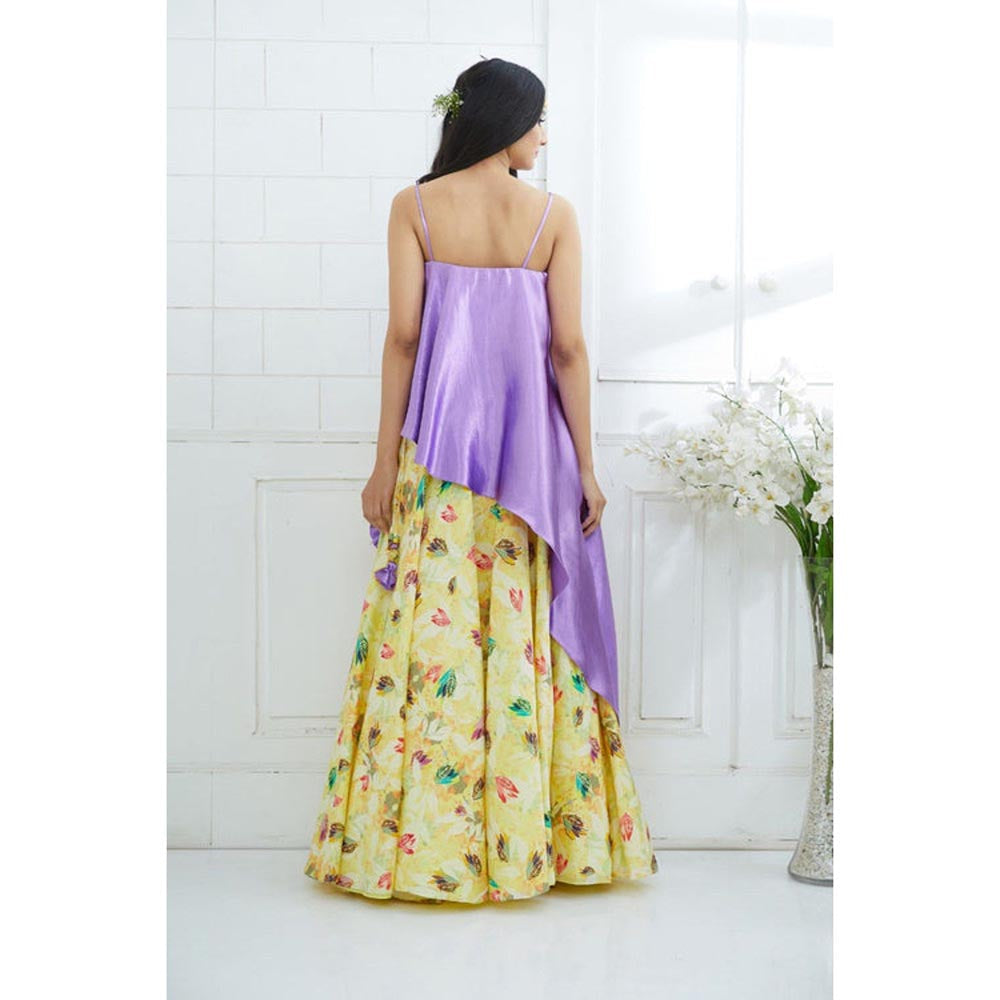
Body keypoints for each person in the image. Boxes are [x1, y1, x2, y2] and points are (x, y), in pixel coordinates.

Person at [303, 57, 658, 904]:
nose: (545, 137)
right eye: (539, 121)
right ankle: (540, 845)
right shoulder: (552, 216)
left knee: (432, 642)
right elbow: (567, 348)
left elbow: (403, 338)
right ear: (506, 122)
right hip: (532, 465)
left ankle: (422, 847)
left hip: (439, 460)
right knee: (529, 638)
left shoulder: (416, 206)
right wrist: (586, 466)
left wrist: (383, 461)